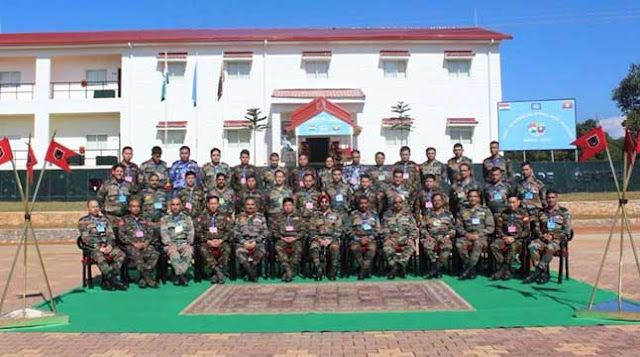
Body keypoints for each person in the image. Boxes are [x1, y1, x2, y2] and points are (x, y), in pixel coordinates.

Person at [78, 199, 127, 290]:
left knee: (121, 254)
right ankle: (113, 280)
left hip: (107, 246)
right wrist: (99, 247)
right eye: (93, 207)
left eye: (97, 207)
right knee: (100, 257)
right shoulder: (83, 221)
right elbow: (86, 238)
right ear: (88, 208)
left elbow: (111, 235)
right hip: (94, 249)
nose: (95, 209)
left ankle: (108, 279)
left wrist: (110, 245)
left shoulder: (104, 220)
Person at [524, 190, 571, 285]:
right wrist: (542, 236)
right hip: (543, 238)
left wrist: (553, 236)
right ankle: (543, 272)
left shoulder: (564, 212)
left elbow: (567, 231)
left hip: (557, 240)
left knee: (549, 248)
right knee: (532, 246)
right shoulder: (541, 212)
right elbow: (536, 227)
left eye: (553, 197)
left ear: (556, 198)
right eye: (548, 198)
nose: (550, 200)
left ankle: (538, 271)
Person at [118, 199, 159, 288]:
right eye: (133, 206)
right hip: (131, 246)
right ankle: (147, 277)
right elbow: (121, 235)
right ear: (129, 208)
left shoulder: (145, 219)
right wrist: (133, 243)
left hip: (145, 244)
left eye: (137, 206)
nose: (136, 209)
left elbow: (150, 232)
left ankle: (143, 277)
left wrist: (146, 243)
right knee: (136, 254)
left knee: (154, 253)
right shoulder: (124, 220)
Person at [455, 189, 495, 280]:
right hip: (467, 235)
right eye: (470, 197)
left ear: (479, 198)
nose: (472, 198)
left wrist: (479, 234)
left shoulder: (485, 210)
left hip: (480, 236)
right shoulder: (462, 211)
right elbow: (459, 227)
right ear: (467, 198)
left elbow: (490, 227)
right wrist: (466, 234)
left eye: (475, 196)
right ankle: (470, 268)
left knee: (478, 244)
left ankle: (469, 269)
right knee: (459, 244)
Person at [490, 194, 530, 281]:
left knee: (512, 247)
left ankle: (502, 270)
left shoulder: (524, 214)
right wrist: (504, 237)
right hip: (505, 238)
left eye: (513, 202)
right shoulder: (503, 214)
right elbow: (499, 229)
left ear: (518, 202)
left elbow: (526, 231)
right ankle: (506, 269)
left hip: (518, 239)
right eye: (509, 202)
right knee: (494, 245)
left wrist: (514, 237)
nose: (511, 205)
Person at [195, 195, 233, 284]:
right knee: (203, 249)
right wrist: (208, 241)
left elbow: (229, 231)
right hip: (207, 242)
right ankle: (218, 271)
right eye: (211, 204)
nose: (213, 206)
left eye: (215, 203)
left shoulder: (225, 216)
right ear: (208, 204)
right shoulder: (202, 217)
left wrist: (221, 240)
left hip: (221, 241)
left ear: (218, 204)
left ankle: (216, 273)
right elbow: (198, 232)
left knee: (227, 249)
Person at [160, 197, 195, 286]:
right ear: (170, 206)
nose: (175, 207)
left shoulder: (187, 218)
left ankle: (178, 274)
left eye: (177, 204)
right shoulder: (165, 219)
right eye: (173, 205)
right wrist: (169, 243)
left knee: (189, 251)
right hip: (171, 243)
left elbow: (191, 231)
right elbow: (164, 233)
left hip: (184, 243)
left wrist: (189, 243)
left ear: (181, 206)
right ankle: (182, 275)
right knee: (173, 253)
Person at [381, 195, 418, 279]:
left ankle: (395, 268)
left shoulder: (408, 215)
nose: (397, 204)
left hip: (405, 239)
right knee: (386, 247)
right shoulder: (387, 215)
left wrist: (411, 238)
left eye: (399, 202)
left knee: (410, 247)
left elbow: (414, 230)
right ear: (392, 204)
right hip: (392, 239)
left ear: (403, 203)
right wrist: (387, 238)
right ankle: (398, 267)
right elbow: (384, 229)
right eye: (395, 203)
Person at [420, 193, 456, 279]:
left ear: (442, 202)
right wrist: (427, 235)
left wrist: (448, 236)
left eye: (439, 200)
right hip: (431, 237)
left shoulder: (448, 214)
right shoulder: (428, 215)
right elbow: (422, 228)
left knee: (447, 247)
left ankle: (434, 269)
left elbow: (453, 228)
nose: (437, 202)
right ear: (432, 202)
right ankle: (436, 267)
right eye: (435, 200)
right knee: (427, 245)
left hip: (444, 237)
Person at [234, 197, 269, 282]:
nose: (250, 206)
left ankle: (249, 272)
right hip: (243, 242)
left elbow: (265, 231)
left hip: (257, 242)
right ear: (245, 206)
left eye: (252, 204)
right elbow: (235, 231)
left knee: (260, 252)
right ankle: (252, 272)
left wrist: (256, 241)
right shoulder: (239, 217)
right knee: (239, 252)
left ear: (255, 206)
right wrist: (243, 242)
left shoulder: (261, 217)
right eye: (248, 204)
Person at [308, 194, 343, 280]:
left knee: (334, 248)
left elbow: (339, 229)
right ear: (319, 203)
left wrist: (330, 240)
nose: (324, 204)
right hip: (318, 238)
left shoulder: (336, 214)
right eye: (322, 202)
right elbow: (311, 230)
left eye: (326, 202)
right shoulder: (314, 215)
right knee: (314, 247)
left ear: (329, 202)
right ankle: (318, 269)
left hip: (332, 238)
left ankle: (332, 270)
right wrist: (319, 239)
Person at [273, 198, 306, 282]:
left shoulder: (299, 217)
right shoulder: (278, 218)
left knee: (298, 248)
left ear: (293, 206)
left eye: (289, 205)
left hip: (295, 239)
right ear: (283, 206)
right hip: (282, 239)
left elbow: (303, 231)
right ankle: (288, 269)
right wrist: (282, 237)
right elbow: (274, 231)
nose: (287, 207)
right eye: (285, 205)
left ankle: (288, 272)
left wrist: (295, 238)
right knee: (278, 247)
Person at [348, 196, 381, 280]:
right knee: (354, 248)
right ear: (358, 205)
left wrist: (369, 238)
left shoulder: (373, 214)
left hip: (370, 238)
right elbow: (348, 229)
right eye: (361, 203)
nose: (363, 205)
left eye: (365, 203)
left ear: (369, 204)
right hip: (356, 239)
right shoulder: (353, 214)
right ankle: (365, 269)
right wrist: (357, 238)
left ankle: (362, 270)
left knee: (372, 249)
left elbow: (378, 229)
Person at [96, 163, 134, 230]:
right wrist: (104, 211)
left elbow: (132, 199)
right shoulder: (107, 185)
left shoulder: (128, 185)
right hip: (110, 217)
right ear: (113, 172)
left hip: (125, 217)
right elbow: (99, 198)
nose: (119, 173)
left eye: (121, 171)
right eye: (117, 171)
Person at [140, 173, 169, 240]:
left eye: (156, 180)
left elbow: (168, 208)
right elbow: (139, 208)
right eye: (152, 180)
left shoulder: (163, 193)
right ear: (149, 181)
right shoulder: (143, 193)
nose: (154, 182)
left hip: (161, 223)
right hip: (147, 223)